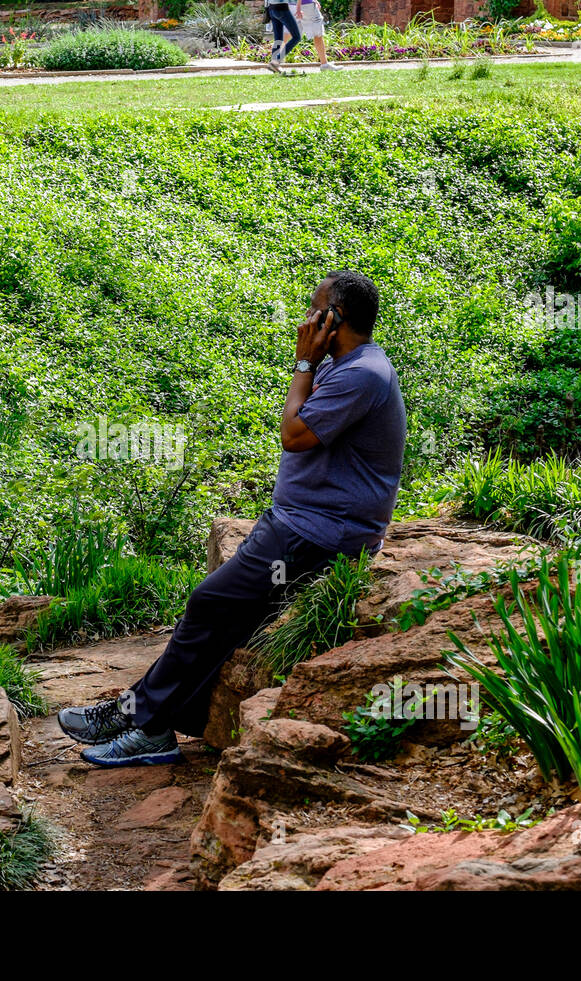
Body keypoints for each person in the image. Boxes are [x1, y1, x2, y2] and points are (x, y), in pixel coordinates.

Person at [58, 270, 408, 766]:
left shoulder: (362, 374)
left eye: (315, 309)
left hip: (320, 533)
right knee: (224, 622)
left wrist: (303, 361)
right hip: (301, 522)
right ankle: (144, 720)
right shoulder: (348, 365)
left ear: (335, 319)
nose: (306, 318)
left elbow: (294, 434)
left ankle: (138, 719)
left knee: (208, 603)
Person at [295, 0, 342, 71]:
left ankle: (324, 63)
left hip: (304, 5)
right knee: (318, 34)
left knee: (290, 33)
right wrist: (298, 8)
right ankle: (324, 64)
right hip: (306, 6)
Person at [264, 0, 302, 73]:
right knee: (296, 37)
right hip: (282, 9)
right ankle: (276, 61)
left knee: (278, 39)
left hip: (271, 9)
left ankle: (274, 65)